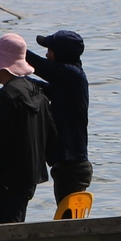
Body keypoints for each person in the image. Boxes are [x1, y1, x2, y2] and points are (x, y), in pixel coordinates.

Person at [0, 34, 51, 225]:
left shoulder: (4, 97)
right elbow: (51, 134)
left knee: (3, 232)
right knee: (16, 226)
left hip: (7, 181)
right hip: (30, 177)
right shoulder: (37, 92)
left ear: (0, 64)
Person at [27, 30, 92, 202]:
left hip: (72, 167)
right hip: (67, 166)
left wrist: (1, 45)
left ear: (60, 53)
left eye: (49, 50)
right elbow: (42, 87)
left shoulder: (72, 75)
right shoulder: (67, 80)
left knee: (68, 223)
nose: (46, 55)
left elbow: (36, 64)